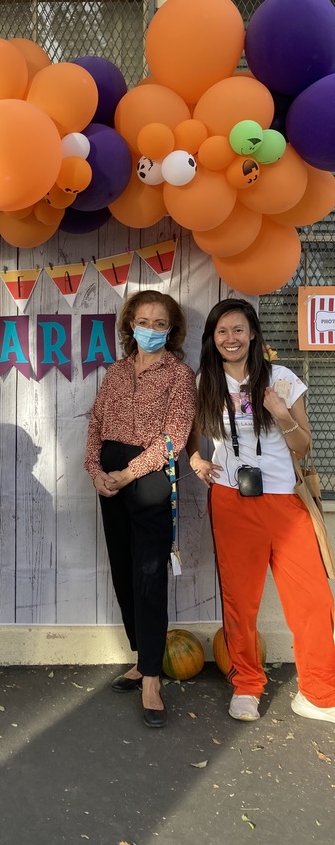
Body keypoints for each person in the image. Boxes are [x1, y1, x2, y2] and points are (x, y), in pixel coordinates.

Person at [188, 298, 335, 723]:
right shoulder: (206, 382)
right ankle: (247, 685)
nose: (230, 338)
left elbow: (303, 446)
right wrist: (196, 460)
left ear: (253, 333)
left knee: (312, 599)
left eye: (238, 329)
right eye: (222, 331)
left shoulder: (282, 379)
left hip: (286, 502)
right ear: (212, 339)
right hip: (232, 501)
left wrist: (282, 414)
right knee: (241, 601)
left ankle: (319, 693)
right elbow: (195, 433)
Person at [84, 290, 196, 728]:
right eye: (143, 321)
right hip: (110, 475)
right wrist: (95, 470)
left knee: (149, 574)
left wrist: (128, 474)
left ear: (171, 329)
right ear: (131, 325)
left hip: (148, 477)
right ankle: (141, 657)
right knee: (123, 570)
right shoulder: (115, 372)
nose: (150, 329)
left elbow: (174, 437)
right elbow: (96, 424)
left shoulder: (180, 375)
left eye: (159, 323)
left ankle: (152, 678)